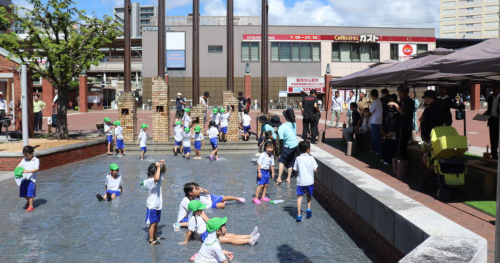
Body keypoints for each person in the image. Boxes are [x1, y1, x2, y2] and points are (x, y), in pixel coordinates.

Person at [180, 201, 259, 249]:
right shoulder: (193, 219)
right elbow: (190, 231)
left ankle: (250, 235)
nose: (202, 209)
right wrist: (185, 241)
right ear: (196, 211)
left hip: (209, 232)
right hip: (207, 237)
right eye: (200, 209)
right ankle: (249, 241)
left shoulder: (198, 215)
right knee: (229, 239)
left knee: (231, 235)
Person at [268, 115, 298, 185]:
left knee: (281, 160)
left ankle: (279, 178)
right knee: (290, 161)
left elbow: (281, 142)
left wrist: (280, 153)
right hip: (294, 144)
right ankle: (288, 178)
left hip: (289, 146)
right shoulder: (284, 125)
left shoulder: (280, 129)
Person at [388, 86, 415, 160]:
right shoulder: (402, 101)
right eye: (399, 93)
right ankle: (399, 160)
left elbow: (403, 111)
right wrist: (393, 108)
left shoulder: (410, 102)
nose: (399, 95)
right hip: (399, 126)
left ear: (406, 93)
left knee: (403, 145)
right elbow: (398, 111)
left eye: (400, 93)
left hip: (405, 127)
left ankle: (403, 162)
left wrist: (395, 104)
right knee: (399, 144)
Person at [293, 141, 318, 222]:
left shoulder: (298, 158)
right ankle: (308, 209)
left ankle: (299, 214)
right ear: (308, 150)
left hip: (301, 182)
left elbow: (296, 169)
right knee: (309, 196)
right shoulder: (311, 158)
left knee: (300, 197)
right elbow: (315, 169)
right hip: (310, 181)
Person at [143, 160, 166, 245]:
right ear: (153, 173)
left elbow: (163, 171)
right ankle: (151, 239)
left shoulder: (157, 178)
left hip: (158, 205)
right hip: (152, 206)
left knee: (156, 222)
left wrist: (163, 165)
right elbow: (156, 178)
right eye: (157, 172)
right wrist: (158, 167)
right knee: (152, 223)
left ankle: (155, 236)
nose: (159, 174)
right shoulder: (149, 181)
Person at [18, 145, 39, 212]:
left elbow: (36, 169)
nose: (26, 157)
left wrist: (27, 171)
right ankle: (29, 201)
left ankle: (31, 206)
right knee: (22, 193)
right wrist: (17, 169)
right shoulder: (24, 160)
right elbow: (19, 166)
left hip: (31, 180)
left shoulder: (36, 160)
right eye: (25, 155)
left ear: (32, 153)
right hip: (24, 179)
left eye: (27, 155)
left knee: (30, 193)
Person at [485, 84, 500, 160]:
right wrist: (486, 113)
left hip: (499, 120)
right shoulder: (490, 98)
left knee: (498, 138)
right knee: (493, 138)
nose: (493, 91)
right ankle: (494, 154)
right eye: (492, 89)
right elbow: (489, 109)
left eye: (494, 89)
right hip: (492, 120)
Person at [369, 89, 383, 155]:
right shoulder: (379, 101)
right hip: (378, 121)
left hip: (375, 121)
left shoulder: (376, 102)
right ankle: (376, 150)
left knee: (375, 137)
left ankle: (377, 150)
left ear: (372, 95)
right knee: (376, 136)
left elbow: (370, 111)